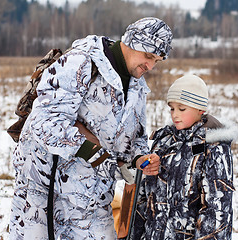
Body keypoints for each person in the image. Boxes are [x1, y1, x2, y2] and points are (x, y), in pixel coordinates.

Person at [9, 17, 173, 239]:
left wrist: (139, 159)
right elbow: (44, 122)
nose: (151, 66)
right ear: (132, 42)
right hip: (44, 194)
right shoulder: (82, 62)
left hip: (93, 198)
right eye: (148, 56)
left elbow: (134, 141)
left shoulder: (136, 87)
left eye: (157, 60)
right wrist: (94, 153)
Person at [132, 75, 238, 239]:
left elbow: (216, 209)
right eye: (172, 108)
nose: (175, 115)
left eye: (181, 109)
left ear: (200, 110)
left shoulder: (213, 147)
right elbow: (144, 198)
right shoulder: (163, 143)